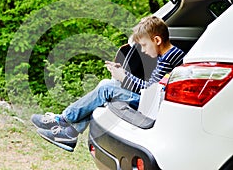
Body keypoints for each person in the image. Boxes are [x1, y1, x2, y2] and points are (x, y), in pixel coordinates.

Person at [31, 16, 185, 152]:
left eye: (144, 45)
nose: (143, 51)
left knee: (106, 88)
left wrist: (124, 77)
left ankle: (64, 121)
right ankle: (69, 133)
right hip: (151, 100)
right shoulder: (169, 54)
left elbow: (149, 91)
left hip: (151, 105)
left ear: (157, 40)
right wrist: (123, 75)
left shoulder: (168, 58)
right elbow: (150, 86)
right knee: (107, 84)